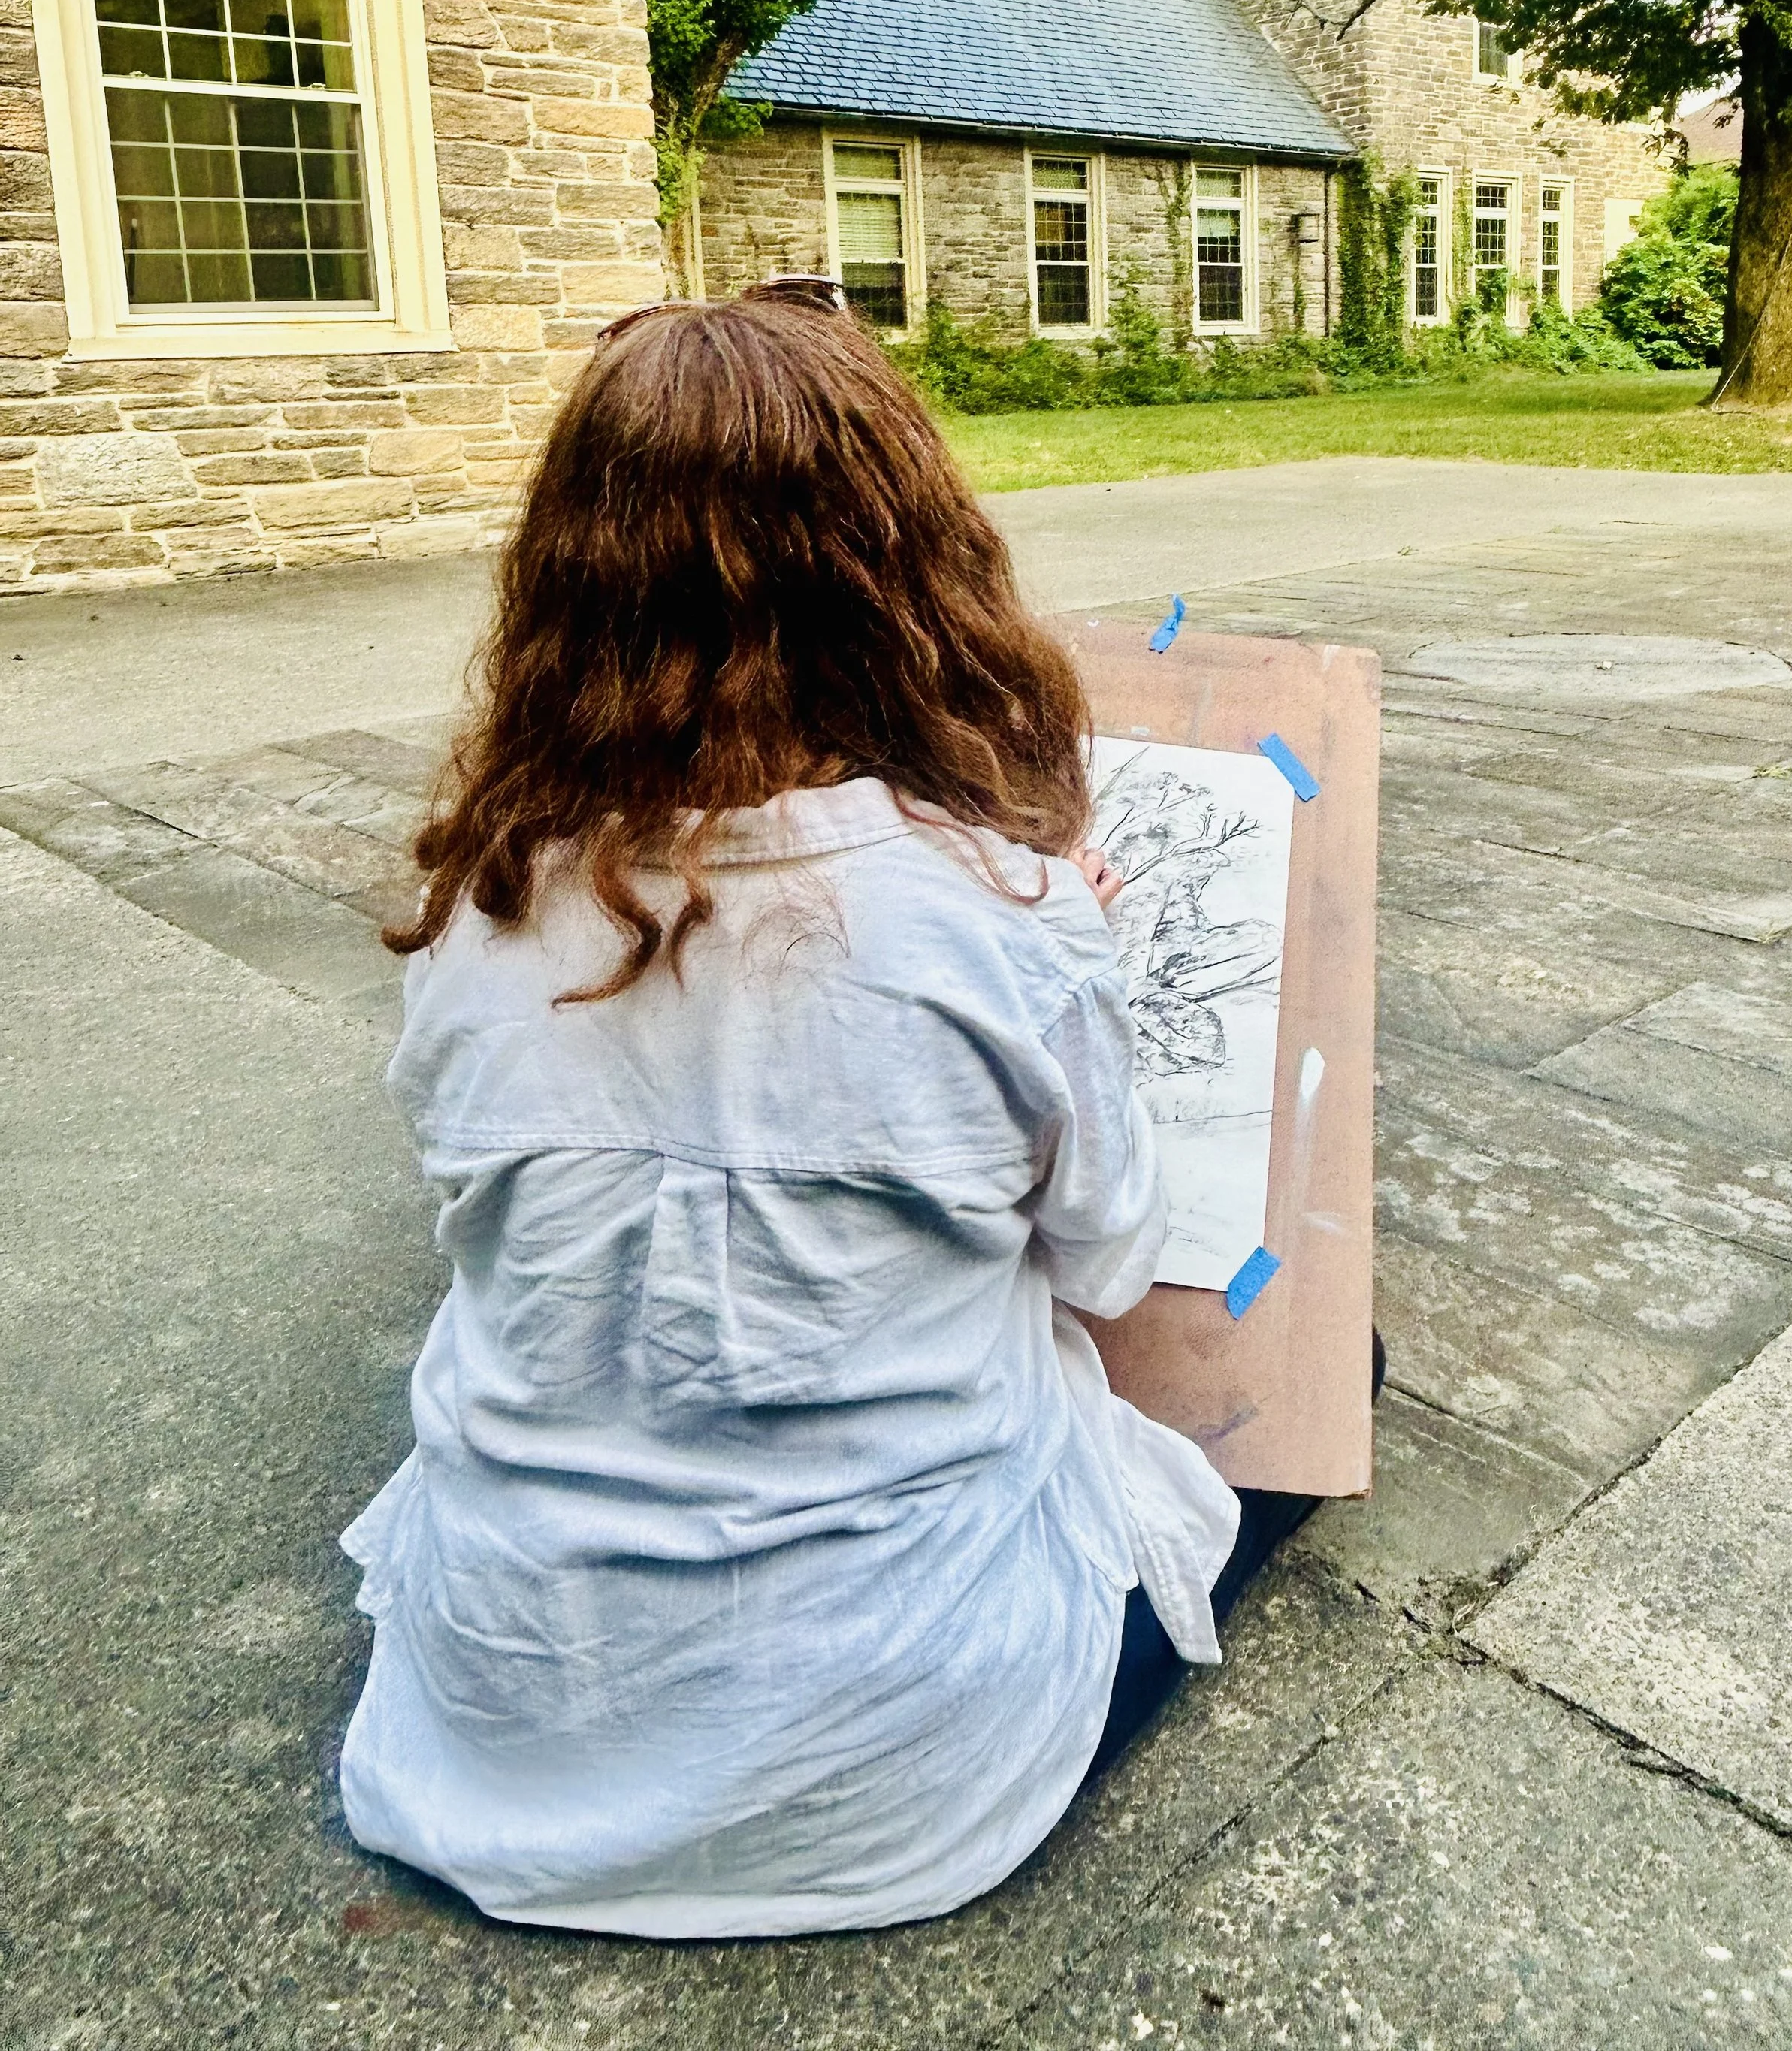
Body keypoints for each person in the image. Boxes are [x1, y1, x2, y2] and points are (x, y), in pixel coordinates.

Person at [337, 281, 1353, 1939]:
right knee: (1319, 1384)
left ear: (569, 584)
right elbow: (1105, 1266)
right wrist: (1059, 938)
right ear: (904, 567)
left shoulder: (481, 908)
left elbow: (496, 1216)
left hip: (508, 1740)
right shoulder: (999, 917)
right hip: (898, 1775)